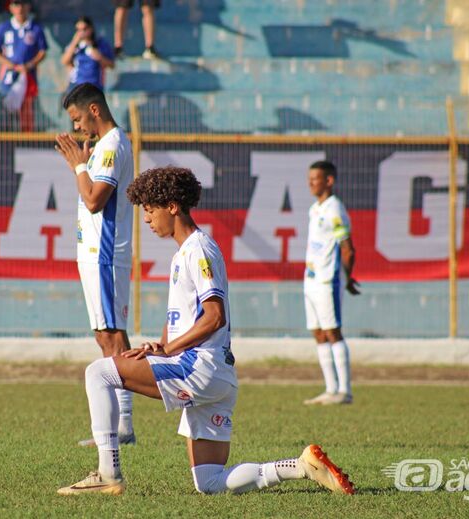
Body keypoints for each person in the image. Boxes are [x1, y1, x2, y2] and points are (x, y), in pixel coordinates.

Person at [56, 166, 355, 496]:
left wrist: (170, 351)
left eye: (150, 209)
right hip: (217, 377)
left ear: (172, 206)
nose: (146, 219)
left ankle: (107, 473)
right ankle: (300, 466)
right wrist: (161, 345)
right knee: (209, 481)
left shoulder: (199, 248)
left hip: (199, 368)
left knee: (98, 372)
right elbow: (188, 318)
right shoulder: (185, 251)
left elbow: (214, 317)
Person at [54, 83, 136, 448]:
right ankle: (122, 426)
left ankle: (125, 427)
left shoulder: (113, 145)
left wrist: (78, 165)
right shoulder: (104, 146)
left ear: (95, 110)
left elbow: (94, 200)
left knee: (113, 338)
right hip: (94, 254)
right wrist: (84, 162)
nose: (77, 128)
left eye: (78, 118)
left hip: (105, 254)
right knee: (105, 336)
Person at [302, 160, 360, 406]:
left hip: (327, 280)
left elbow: (347, 248)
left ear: (329, 180)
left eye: (315, 178)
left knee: (333, 331)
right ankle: (330, 388)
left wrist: (347, 277)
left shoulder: (335, 209)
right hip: (310, 279)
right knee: (318, 332)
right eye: (309, 178)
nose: (310, 183)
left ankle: (345, 391)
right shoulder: (315, 208)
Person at [0, 0, 47, 132]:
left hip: (27, 79)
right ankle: (4, 146)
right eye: (16, 4)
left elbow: (42, 51)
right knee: (5, 114)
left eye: (23, 4)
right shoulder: (4, 27)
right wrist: (9, 64)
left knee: (26, 114)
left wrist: (29, 65)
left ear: (28, 7)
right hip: (8, 79)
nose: (20, 8)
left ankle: (26, 146)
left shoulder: (35, 28)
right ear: (11, 7)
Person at [60, 17, 114, 92]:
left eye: (84, 29)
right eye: (78, 30)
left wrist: (100, 57)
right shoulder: (74, 45)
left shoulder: (100, 44)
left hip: (95, 86)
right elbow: (64, 61)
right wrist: (74, 42)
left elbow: (111, 65)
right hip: (76, 86)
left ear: (91, 29)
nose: (82, 32)